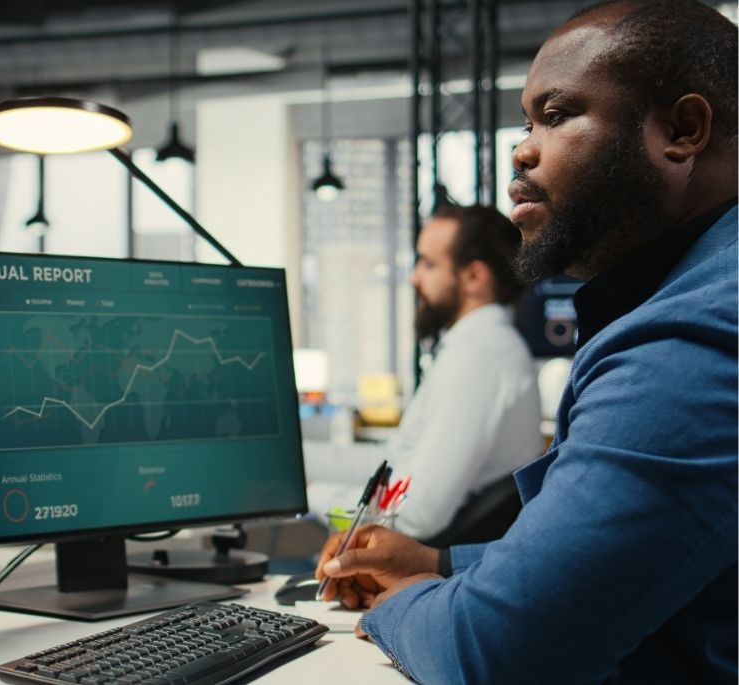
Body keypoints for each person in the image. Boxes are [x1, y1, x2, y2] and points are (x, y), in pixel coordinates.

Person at [315, 1, 738, 683]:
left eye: (558, 114)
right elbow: (612, 548)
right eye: (525, 121)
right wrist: (439, 564)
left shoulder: (698, 332)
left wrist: (395, 606)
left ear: (682, 131)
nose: (522, 148)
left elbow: (495, 654)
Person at [306, 204, 540, 542]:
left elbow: (417, 516)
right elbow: (393, 462)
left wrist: (310, 496)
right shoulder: (476, 347)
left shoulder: (481, 355)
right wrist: (295, 464)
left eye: (428, 263)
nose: (415, 277)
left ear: (474, 276)